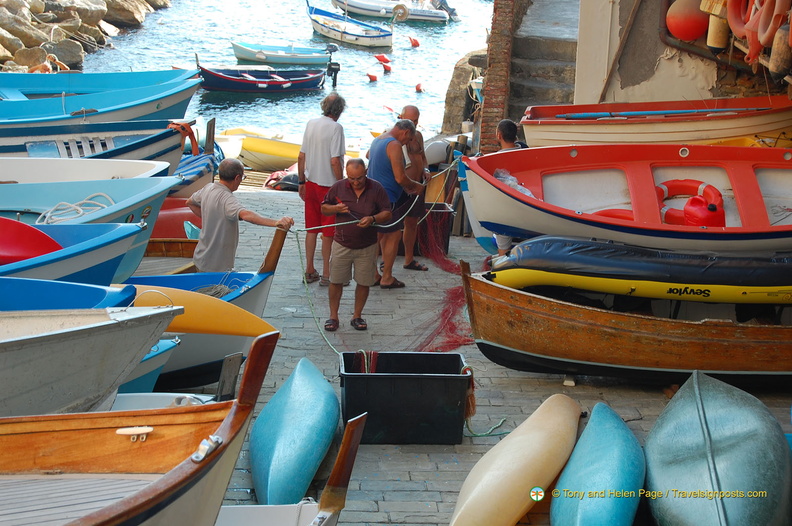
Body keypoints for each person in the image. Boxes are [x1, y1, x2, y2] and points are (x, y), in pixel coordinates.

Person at [321, 159, 392, 332]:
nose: (355, 182)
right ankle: (333, 316)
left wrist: (372, 219)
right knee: (336, 281)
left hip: (367, 245)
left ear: (366, 172)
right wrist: (336, 208)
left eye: (359, 178)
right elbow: (324, 208)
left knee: (364, 282)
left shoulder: (376, 188)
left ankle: (357, 316)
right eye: (351, 178)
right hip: (342, 243)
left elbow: (387, 213)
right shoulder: (338, 187)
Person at [187, 158, 294, 272]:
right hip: (216, 266)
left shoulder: (208, 188)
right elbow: (246, 215)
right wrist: (276, 222)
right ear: (237, 178)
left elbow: (190, 202)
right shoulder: (227, 199)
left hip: (200, 258)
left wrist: (210, 217)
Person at [367, 119, 424, 289]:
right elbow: (400, 177)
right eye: (408, 139)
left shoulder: (378, 140)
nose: (406, 143)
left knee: (377, 235)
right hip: (387, 198)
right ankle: (386, 277)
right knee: (393, 235)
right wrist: (415, 185)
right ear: (405, 132)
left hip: (373, 195)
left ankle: (373, 274)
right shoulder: (394, 145)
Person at [297, 92, 346, 286]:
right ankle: (327, 273)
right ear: (339, 110)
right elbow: (335, 161)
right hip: (329, 186)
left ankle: (309, 269)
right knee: (328, 232)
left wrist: (301, 181)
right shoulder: (336, 128)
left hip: (311, 183)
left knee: (312, 228)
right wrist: (342, 184)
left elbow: (301, 156)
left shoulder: (311, 123)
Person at [399, 105, 430, 272]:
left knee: (412, 223)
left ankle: (409, 259)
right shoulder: (393, 136)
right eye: (410, 121)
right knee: (391, 227)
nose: (413, 124)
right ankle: (386, 261)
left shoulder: (418, 135)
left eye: (416, 121)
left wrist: (425, 170)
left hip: (417, 186)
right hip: (401, 187)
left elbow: (423, 157)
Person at [493, 119, 527, 257]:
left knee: (501, 228)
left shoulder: (494, 160)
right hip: (529, 206)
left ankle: (503, 258)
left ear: (499, 135)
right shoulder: (525, 151)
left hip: (507, 212)